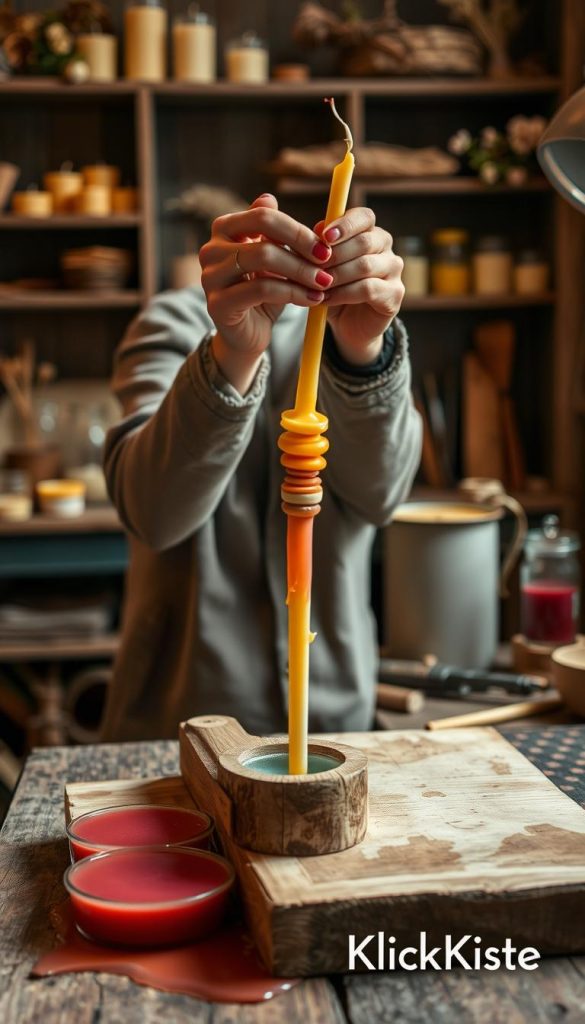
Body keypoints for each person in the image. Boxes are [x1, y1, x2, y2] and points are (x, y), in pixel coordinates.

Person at [100, 193, 422, 742]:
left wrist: (364, 351)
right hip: (179, 724)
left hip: (336, 722)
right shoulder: (170, 323)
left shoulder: (357, 326)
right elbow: (152, 510)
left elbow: (381, 494)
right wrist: (234, 352)